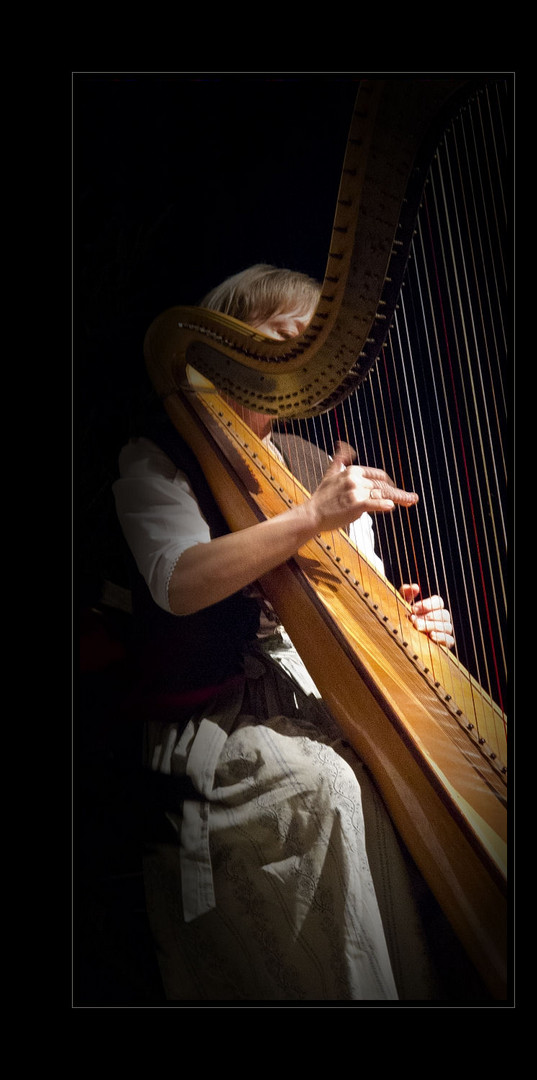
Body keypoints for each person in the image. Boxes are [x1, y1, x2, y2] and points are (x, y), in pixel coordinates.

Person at [113, 264, 461, 1003]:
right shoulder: (157, 455)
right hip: (216, 710)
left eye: (309, 352)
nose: (294, 365)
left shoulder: (307, 464)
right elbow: (175, 583)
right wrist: (309, 517)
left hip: (306, 684)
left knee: (397, 775)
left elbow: (365, 601)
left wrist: (419, 624)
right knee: (328, 784)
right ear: (227, 343)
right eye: (282, 343)